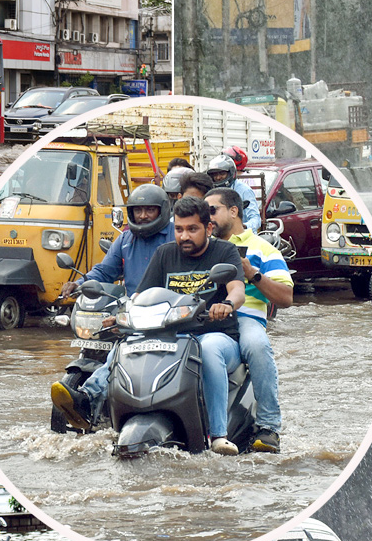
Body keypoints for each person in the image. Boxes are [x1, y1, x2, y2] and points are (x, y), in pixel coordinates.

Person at [50, 183, 176, 431]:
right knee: (115, 349)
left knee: (119, 354)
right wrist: (79, 282)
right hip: (134, 313)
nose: (142, 216)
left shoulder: (175, 236)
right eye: (138, 210)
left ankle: (89, 396)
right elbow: (104, 271)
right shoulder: (126, 239)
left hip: (169, 313)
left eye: (149, 210)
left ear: (162, 210)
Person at [138, 195, 246, 454]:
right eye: (178, 229)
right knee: (127, 343)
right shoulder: (164, 253)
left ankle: (218, 435)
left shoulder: (225, 251)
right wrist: (122, 313)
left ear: (209, 228)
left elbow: (238, 290)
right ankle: (90, 400)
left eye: (192, 229)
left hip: (217, 336)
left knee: (206, 350)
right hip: (173, 336)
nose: (184, 236)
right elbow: (141, 296)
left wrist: (227, 305)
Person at [205, 186, 293, 453]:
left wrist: (252, 273)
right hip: (204, 317)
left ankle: (268, 427)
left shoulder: (262, 249)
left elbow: (286, 297)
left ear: (234, 211)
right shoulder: (203, 246)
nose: (207, 218)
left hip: (246, 316)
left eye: (212, 211)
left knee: (257, 345)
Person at [206, 153, 262, 233]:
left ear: (231, 173)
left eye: (222, 174)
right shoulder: (211, 192)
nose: (218, 177)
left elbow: (255, 218)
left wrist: (244, 226)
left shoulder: (244, 190)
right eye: (215, 174)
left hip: (243, 236)